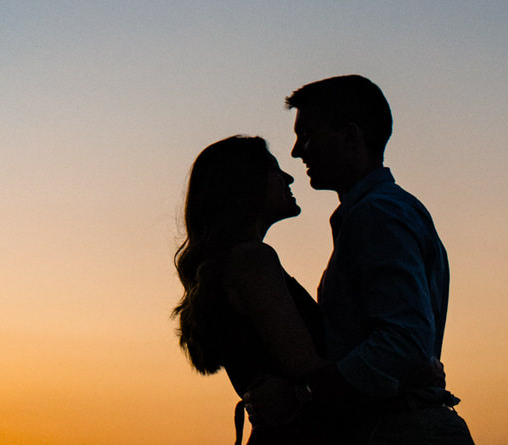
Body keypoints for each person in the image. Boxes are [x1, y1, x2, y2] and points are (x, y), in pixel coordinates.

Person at [246, 75, 476, 445]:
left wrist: (300, 396)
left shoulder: (378, 214)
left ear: (350, 136)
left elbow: (403, 342)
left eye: (307, 135)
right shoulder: (383, 211)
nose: (296, 152)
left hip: (400, 431)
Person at [173, 135, 344, 444]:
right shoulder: (251, 259)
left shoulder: (226, 266)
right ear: (245, 184)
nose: (289, 177)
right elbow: (310, 370)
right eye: (274, 169)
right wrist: (405, 382)